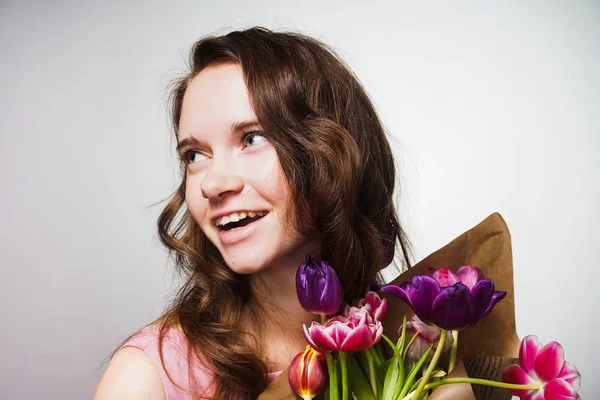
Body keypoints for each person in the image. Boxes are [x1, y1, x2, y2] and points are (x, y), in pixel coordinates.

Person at [94, 26, 412, 400]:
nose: (212, 185)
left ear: (332, 152)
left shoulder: (414, 347)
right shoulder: (146, 378)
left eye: (251, 138)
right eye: (194, 155)